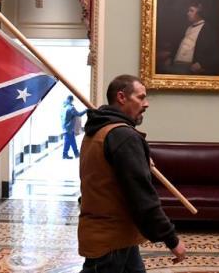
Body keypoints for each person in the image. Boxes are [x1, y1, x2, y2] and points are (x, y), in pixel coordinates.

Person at [78, 74, 187, 272]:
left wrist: (139, 160)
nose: (146, 104)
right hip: (109, 241)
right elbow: (143, 197)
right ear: (121, 97)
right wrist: (172, 240)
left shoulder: (99, 130)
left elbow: (108, 176)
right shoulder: (123, 136)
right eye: (140, 97)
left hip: (120, 236)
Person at [159, 2, 219, 76]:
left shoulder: (208, 29)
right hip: (175, 65)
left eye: (191, 11)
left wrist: (202, 64)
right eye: (188, 11)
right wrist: (170, 58)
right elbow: (178, 46)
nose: (188, 13)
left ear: (199, 13)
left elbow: (218, 54)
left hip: (189, 69)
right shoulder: (187, 27)